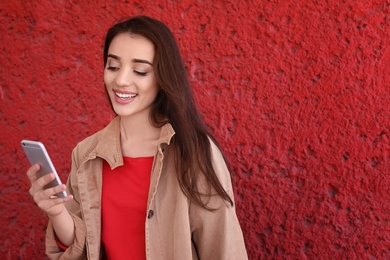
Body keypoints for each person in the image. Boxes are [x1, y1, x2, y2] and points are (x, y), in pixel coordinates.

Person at [27, 15, 248, 259]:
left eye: (140, 71)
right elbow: (80, 248)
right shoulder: (87, 153)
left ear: (163, 78)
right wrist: (57, 211)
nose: (121, 80)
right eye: (112, 66)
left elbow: (224, 249)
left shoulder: (193, 152)